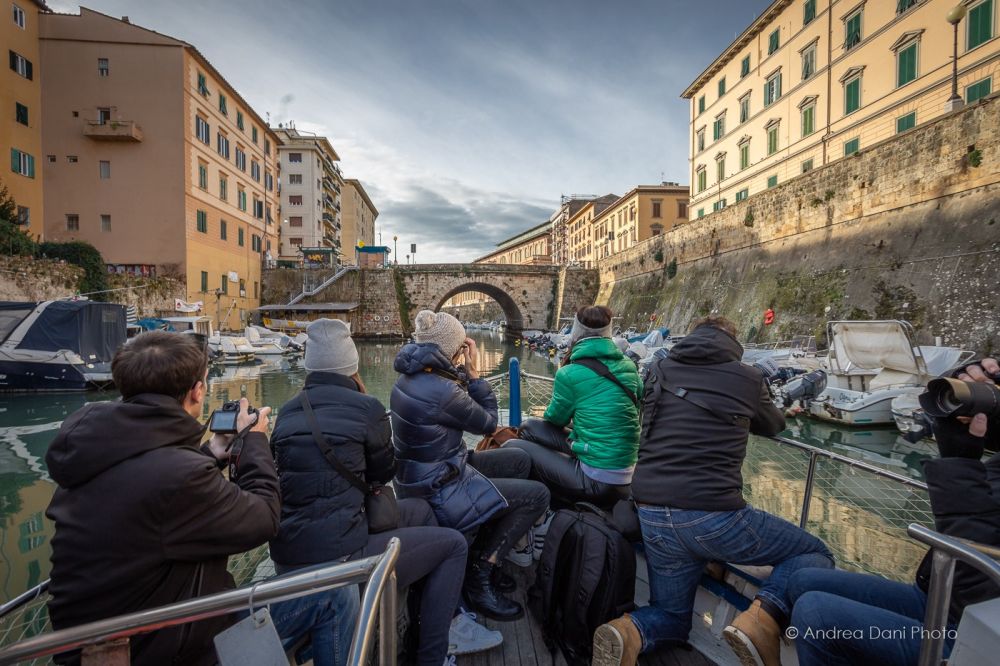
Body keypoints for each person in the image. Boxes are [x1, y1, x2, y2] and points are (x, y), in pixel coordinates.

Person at [593, 315, 834, 666]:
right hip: (713, 517)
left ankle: (628, 631)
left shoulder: (660, 367)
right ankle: (763, 617)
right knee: (814, 552)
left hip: (652, 513)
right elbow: (773, 424)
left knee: (672, 617)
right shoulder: (748, 377)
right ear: (732, 342)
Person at [269, 319, 501, 666]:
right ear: (352, 364)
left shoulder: (285, 414)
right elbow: (383, 472)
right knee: (453, 545)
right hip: (342, 557)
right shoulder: (365, 409)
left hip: (291, 558)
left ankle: (426, 616)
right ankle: (433, 655)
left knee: (422, 513)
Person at [45, 331, 281, 666]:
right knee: (333, 598)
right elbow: (264, 518)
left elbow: (149, 491)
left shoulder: (91, 455)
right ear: (198, 392)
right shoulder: (179, 475)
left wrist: (210, 453)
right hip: (163, 645)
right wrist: (255, 440)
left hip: (92, 644)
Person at [787, 357, 1000, 666]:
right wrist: (966, 392)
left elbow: (979, 575)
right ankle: (762, 621)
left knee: (816, 612)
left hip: (970, 633)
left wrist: (958, 461)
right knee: (802, 580)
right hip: (940, 598)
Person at [391, 310, 550, 621]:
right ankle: (481, 571)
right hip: (441, 484)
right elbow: (489, 423)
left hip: (433, 469)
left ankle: (484, 549)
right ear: (451, 347)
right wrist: (475, 373)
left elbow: (453, 393)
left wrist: (461, 371)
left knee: (518, 459)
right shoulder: (441, 390)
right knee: (538, 494)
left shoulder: (416, 374)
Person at [505, 305, 641, 509]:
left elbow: (555, 419)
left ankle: (541, 505)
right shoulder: (629, 366)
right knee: (529, 427)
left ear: (576, 332)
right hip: (626, 471)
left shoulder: (570, 373)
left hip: (598, 478)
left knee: (513, 447)